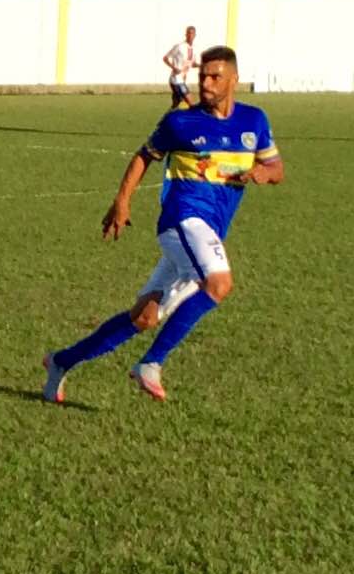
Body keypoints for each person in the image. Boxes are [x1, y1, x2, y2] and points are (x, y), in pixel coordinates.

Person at [41, 46, 282, 404]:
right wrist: (122, 201)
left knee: (143, 317)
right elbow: (143, 157)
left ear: (233, 78)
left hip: (209, 232)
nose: (206, 82)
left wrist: (262, 172)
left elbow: (277, 169)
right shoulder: (180, 122)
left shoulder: (254, 120)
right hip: (182, 220)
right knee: (219, 283)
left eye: (215, 76)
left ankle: (61, 361)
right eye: (203, 76)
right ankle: (151, 363)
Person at [164, 26, 198, 109]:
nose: (190, 35)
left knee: (176, 103)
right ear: (185, 34)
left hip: (182, 80)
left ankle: (166, 120)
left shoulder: (194, 48)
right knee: (191, 104)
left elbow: (192, 64)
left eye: (192, 33)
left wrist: (202, 65)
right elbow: (165, 58)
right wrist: (174, 67)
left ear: (195, 35)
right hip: (176, 80)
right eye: (188, 33)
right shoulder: (179, 46)